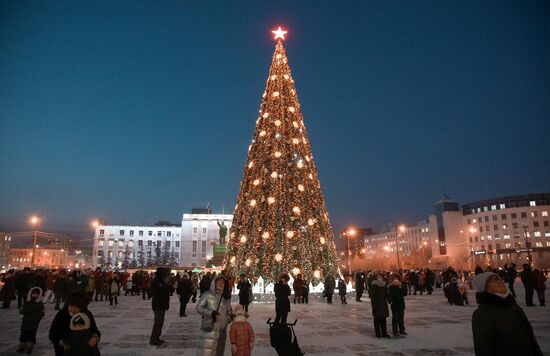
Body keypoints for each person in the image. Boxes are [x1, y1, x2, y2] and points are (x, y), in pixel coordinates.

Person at [472, 272, 543, 356]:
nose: (500, 282)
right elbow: (484, 348)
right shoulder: (483, 313)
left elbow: (530, 339)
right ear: (485, 287)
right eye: (494, 281)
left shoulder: (513, 306)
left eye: (499, 279)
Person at [196, 275, 233, 356]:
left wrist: (231, 318)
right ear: (214, 283)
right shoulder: (207, 294)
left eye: (223, 282)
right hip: (209, 329)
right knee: (206, 351)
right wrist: (210, 313)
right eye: (219, 282)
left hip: (221, 332)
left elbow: (229, 311)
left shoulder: (226, 298)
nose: (221, 284)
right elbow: (199, 307)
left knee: (219, 352)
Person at [17, 287, 45, 353]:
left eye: (36, 294)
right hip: (25, 321)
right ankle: (22, 347)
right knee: (23, 334)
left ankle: (30, 347)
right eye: (33, 294)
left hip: (34, 323)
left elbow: (42, 313)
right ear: (30, 294)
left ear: (39, 295)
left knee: (31, 335)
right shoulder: (27, 302)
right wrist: (25, 311)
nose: (34, 295)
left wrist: (37, 318)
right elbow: (21, 311)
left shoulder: (40, 304)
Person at [150, 267, 171, 346]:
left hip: (161, 305)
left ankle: (157, 338)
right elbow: (159, 292)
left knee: (160, 323)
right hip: (158, 305)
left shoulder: (161, 281)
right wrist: (165, 287)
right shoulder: (157, 281)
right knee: (158, 323)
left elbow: (165, 291)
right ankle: (153, 339)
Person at [370, 274, 390, 338]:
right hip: (377, 305)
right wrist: (374, 306)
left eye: (381, 277)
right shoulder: (374, 286)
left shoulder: (384, 286)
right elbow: (372, 298)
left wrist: (390, 300)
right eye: (379, 277)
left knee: (383, 319)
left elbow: (387, 294)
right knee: (377, 320)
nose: (380, 278)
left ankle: (384, 333)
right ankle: (378, 333)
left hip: (383, 304)